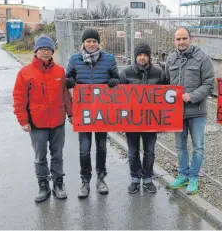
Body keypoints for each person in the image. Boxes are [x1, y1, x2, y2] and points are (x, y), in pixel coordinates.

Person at [13, 35, 72, 203]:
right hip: (37, 123)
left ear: (52, 51)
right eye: (42, 49)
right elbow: (19, 98)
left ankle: (59, 184)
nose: (45, 52)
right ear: (36, 51)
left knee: (57, 155)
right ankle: (43, 185)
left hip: (57, 122)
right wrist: (23, 120)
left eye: (48, 50)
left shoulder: (59, 71)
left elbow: (65, 95)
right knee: (40, 157)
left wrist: (71, 114)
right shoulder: (25, 73)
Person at [65, 28, 120, 199]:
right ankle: (85, 181)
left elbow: (117, 79)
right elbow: (68, 79)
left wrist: (113, 81)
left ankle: (101, 179)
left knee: (102, 147)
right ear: (83, 43)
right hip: (84, 113)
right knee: (84, 149)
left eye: (94, 41)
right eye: (88, 41)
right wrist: (70, 81)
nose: (91, 44)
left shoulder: (109, 59)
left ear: (98, 43)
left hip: (102, 112)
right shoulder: (75, 59)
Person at [166, 27, 215, 195]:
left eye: (184, 38)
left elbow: (209, 85)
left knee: (198, 147)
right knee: (180, 147)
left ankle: (193, 177)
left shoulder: (202, 58)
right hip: (177, 113)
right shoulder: (171, 59)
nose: (181, 42)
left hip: (197, 112)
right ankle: (183, 174)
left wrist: (192, 96)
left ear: (190, 39)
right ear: (174, 41)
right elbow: (166, 83)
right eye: (178, 39)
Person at [119, 42, 166, 194]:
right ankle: (134, 179)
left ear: (149, 56)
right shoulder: (126, 73)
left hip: (151, 120)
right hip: (131, 121)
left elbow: (167, 95)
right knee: (133, 152)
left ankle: (147, 179)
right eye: (139, 55)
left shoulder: (159, 73)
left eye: (145, 55)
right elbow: (116, 97)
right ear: (135, 56)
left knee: (150, 151)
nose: (142, 57)